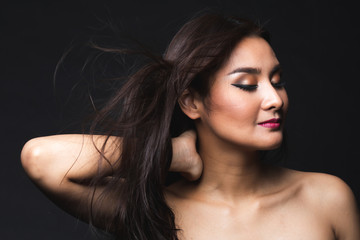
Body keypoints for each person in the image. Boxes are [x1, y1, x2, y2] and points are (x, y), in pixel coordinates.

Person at [21, 13, 359, 240]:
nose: (275, 99)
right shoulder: (157, 212)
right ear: (191, 102)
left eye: (278, 81)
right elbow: (40, 159)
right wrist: (174, 153)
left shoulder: (327, 198)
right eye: (247, 84)